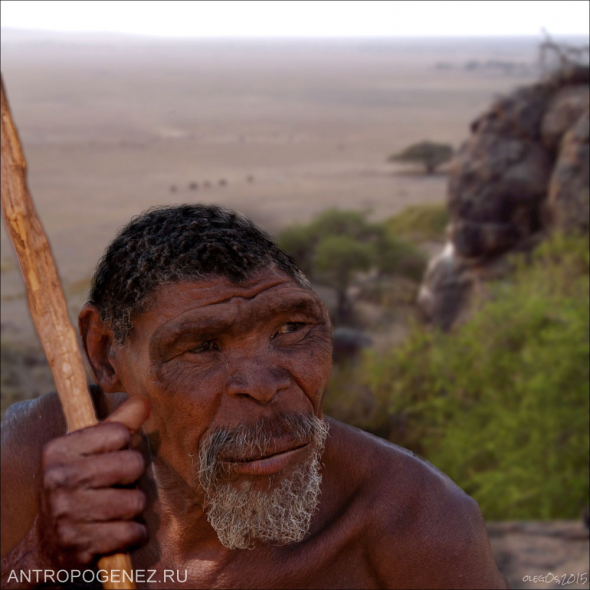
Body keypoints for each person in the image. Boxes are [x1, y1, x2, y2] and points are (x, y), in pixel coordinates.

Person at [1, 205, 507, 589]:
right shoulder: (30, 462)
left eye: (291, 328)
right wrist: (39, 559)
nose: (265, 387)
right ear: (106, 354)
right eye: (202, 346)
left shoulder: (416, 523)